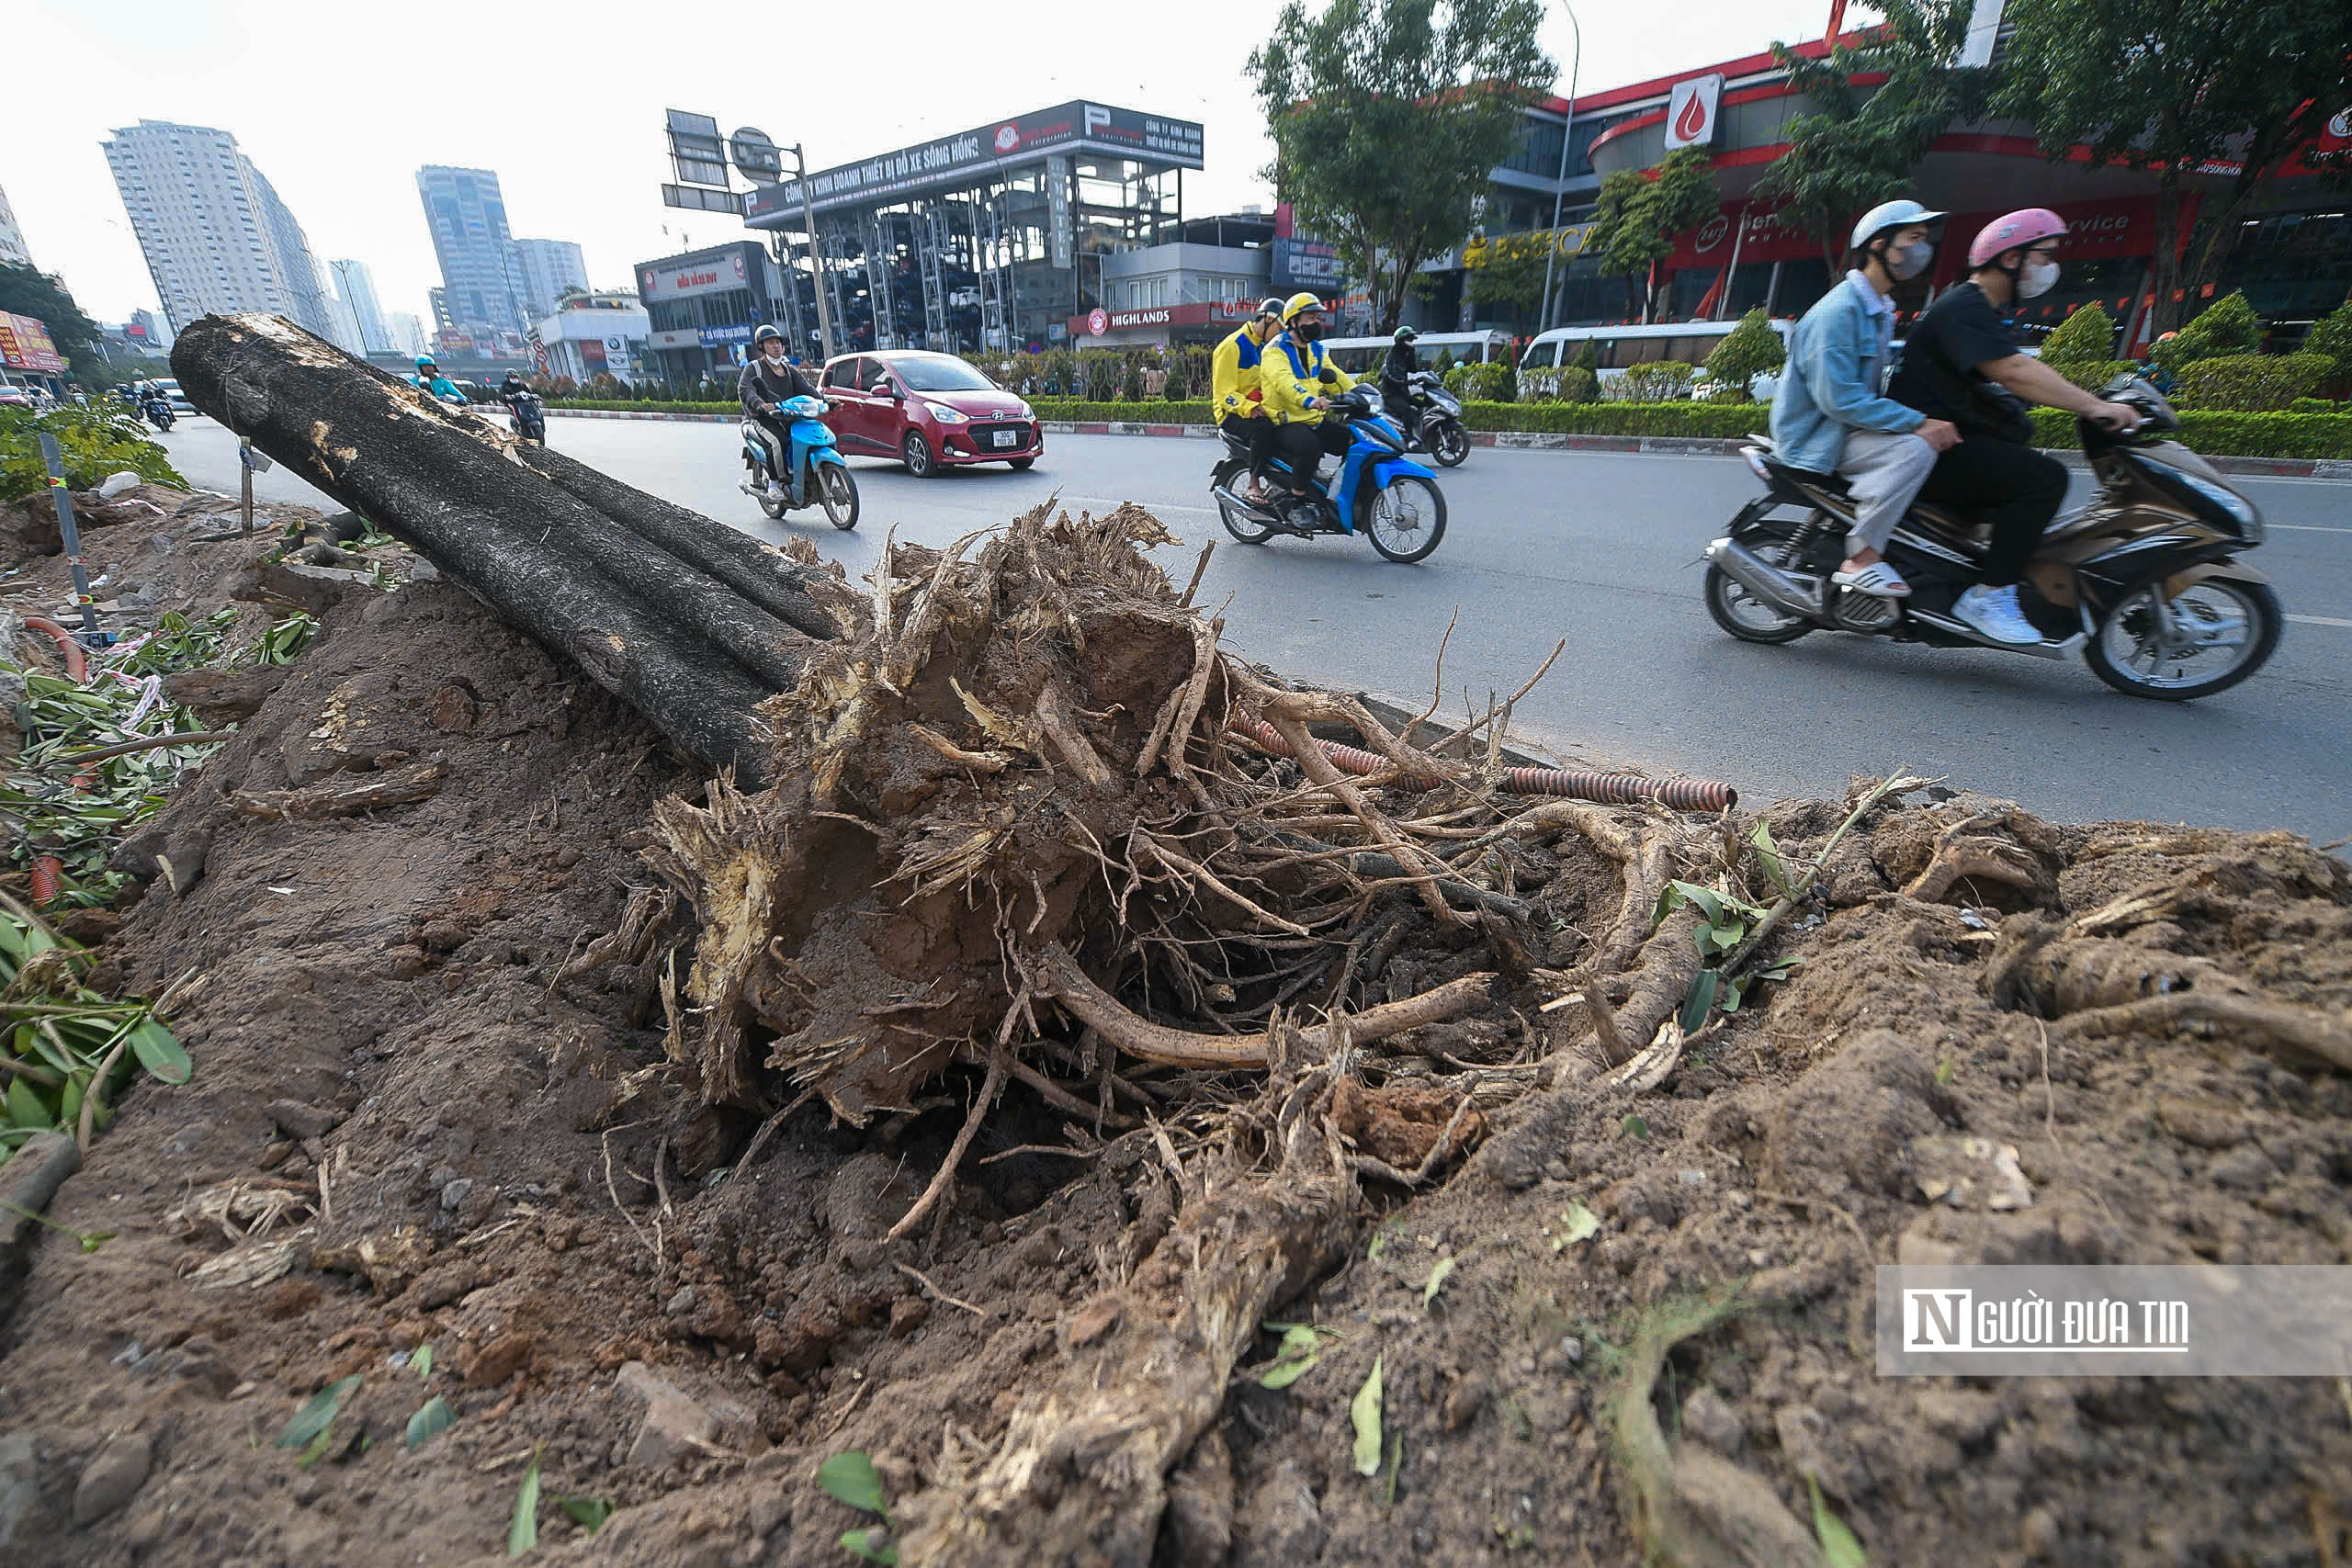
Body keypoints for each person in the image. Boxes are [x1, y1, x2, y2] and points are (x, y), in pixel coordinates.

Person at [1886, 207, 2140, 644]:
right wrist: (2093, 406)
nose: (2050, 267)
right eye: (2043, 256)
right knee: (2044, 480)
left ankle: (1970, 571)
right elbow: (2015, 370)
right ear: (2010, 258)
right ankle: (1990, 594)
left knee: (2021, 452)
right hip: (1924, 444)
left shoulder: (1985, 307)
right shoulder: (1966, 305)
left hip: (1941, 437)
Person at [1768, 199, 1961, 600]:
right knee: (1914, 451)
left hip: (1844, 428)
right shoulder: (1839, 312)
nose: (1922, 249)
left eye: (1925, 239)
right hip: (1819, 436)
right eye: (1913, 238)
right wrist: (1919, 423)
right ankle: (1862, 559)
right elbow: (1840, 401)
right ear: (1878, 246)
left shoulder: (1875, 307)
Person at [1260, 292, 1356, 496]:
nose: (1316, 323)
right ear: (1293, 321)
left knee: (1353, 441)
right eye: (1311, 318)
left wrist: (1360, 395)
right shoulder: (1276, 349)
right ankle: (1298, 500)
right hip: (1284, 421)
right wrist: (1309, 400)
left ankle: (1339, 490)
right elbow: (1283, 381)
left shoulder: (1316, 350)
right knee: (1310, 448)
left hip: (1312, 419)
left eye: (1317, 318)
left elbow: (1336, 376)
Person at [1212, 299, 1285, 502]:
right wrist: (1248, 407)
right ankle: (1253, 484)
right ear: (1269, 319)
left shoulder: (1264, 348)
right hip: (1231, 413)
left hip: (1256, 407)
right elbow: (1224, 394)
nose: (1280, 334)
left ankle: (1279, 481)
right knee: (1262, 428)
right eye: (1280, 328)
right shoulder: (1232, 346)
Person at [737, 325, 820, 499]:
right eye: (770, 343)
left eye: (778, 342)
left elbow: (807, 389)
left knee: (807, 435)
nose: (775, 346)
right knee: (778, 442)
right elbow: (746, 390)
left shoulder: (789, 370)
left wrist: (825, 401)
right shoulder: (754, 368)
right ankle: (776, 483)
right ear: (761, 347)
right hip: (762, 419)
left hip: (788, 417)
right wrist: (760, 404)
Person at [1379, 324, 1420, 423]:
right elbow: (1389, 374)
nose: (1411, 342)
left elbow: (1413, 369)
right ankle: (1409, 437)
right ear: (1401, 340)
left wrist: (1411, 353)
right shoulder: (1391, 355)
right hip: (1391, 394)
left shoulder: (1404, 355)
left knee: (1422, 404)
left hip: (1403, 392)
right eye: (1409, 339)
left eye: (1412, 340)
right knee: (1406, 410)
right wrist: (1403, 382)